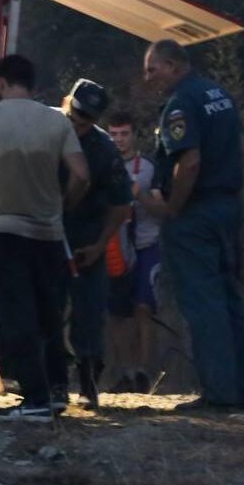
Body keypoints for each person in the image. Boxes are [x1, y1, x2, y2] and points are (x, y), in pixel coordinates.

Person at [0, 54, 89, 422]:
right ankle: (58, 393)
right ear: (32, 84)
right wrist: (60, 207)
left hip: (3, 232)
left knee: (17, 317)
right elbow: (81, 175)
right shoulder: (56, 122)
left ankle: (35, 401)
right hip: (48, 233)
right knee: (49, 314)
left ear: (0, 84)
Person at [136, 39, 244, 410]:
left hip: (196, 214)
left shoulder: (181, 103)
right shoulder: (218, 94)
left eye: (152, 68)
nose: (148, 77)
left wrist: (173, 206)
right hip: (227, 207)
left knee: (203, 303)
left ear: (174, 65)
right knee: (229, 300)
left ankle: (220, 395)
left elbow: (189, 162)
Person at [59, 80, 133, 410]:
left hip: (85, 238)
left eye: (85, 119)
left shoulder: (104, 150)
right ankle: (50, 382)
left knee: (88, 314)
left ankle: (88, 381)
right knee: (45, 310)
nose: (77, 122)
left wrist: (101, 245)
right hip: (44, 233)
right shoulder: (45, 128)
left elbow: (121, 204)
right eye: (74, 113)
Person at [105, 111, 164, 394]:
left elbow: (160, 208)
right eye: (113, 135)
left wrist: (137, 193)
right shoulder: (102, 166)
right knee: (118, 313)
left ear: (134, 136)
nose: (118, 140)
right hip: (116, 247)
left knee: (144, 308)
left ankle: (143, 371)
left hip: (145, 245)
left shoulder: (149, 168)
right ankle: (125, 371)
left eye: (124, 134)